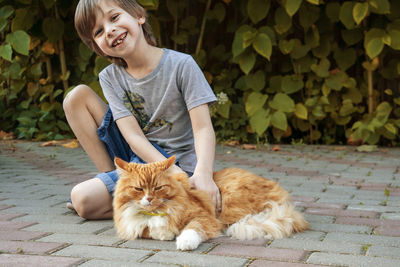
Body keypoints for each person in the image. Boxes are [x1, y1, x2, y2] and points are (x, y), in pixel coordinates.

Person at [63, 0, 221, 219]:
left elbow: (203, 128)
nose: (110, 31)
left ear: (139, 16)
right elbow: (133, 135)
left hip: (177, 163)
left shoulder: (182, 65)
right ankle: (115, 182)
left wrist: (203, 174)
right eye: (98, 31)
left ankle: (154, 202)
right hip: (137, 157)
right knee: (76, 97)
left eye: (114, 18)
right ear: (96, 46)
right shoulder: (109, 77)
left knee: (82, 199)